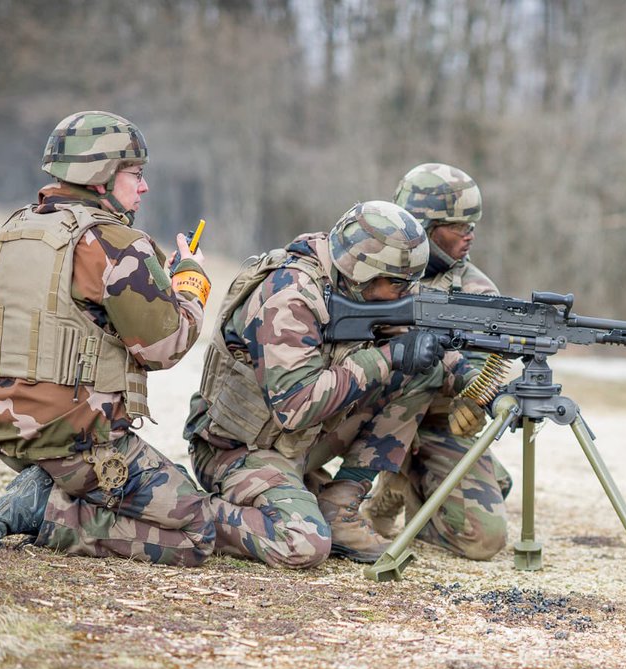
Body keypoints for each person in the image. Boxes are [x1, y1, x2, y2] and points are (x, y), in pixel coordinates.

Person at [0, 110, 261, 566]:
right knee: (199, 529)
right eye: (135, 174)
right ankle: (46, 512)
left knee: (169, 478)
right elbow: (166, 347)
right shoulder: (117, 243)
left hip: (6, 432)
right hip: (77, 441)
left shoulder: (11, 231)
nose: (143, 187)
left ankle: (47, 483)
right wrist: (190, 285)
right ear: (100, 176)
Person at [183, 200, 464, 565]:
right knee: (303, 542)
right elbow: (295, 406)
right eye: (398, 283)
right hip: (236, 450)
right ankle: (184, 511)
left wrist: (476, 383)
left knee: (421, 372)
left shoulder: (351, 282)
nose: (406, 292)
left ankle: (340, 506)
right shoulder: (291, 295)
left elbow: (415, 332)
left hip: (294, 444)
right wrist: (386, 357)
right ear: (362, 271)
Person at [363, 163, 512, 560]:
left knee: (484, 539)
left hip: (432, 422)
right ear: (424, 225)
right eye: (459, 225)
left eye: (473, 224)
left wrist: (478, 398)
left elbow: (483, 369)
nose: (470, 234)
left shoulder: (477, 290)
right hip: (360, 408)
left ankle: (406, 489)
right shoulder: (368, 268)